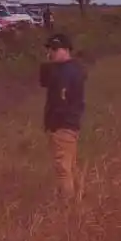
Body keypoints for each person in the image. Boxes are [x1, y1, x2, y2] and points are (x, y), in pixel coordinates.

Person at [40, 33, 86, 201]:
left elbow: (62, 99)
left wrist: (56, 121)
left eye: (54, 49)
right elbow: (44, 82)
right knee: (70, 165)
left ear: (66, 50)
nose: (51, 52)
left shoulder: (68, 71)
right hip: (67, 124)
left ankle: (66, 205)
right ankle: (78, 198)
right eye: (49, 49)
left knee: (62, 168)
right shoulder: (66, 68)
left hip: (62, 125)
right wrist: (47, 64)